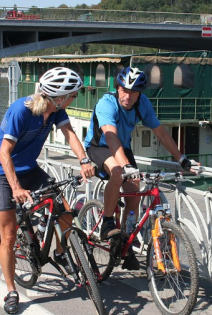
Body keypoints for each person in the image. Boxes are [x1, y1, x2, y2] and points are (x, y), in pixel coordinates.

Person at [0, 67, 93, 315]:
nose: (74, 98)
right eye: (72, 95)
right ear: (58, 98)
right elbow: (3, 152)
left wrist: (84, 160)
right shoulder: (21, 110)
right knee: (8, 234)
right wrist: (16, 188)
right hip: (2, 172)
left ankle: (62, 252)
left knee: (65, 212)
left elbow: (70, 134)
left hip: (30, 169)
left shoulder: (56, 111)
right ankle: (11, 290)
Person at [84, 66, 199, 268]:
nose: (128, 96)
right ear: (118, 88)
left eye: (134, 92)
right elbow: (110, 136)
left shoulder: (142, 104)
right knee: (118, 172)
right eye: (125, 90)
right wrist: (126, 166)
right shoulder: (107, 103)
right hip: (99, 145)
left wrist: (182, 159)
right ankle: (107, 222)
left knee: (134, 187)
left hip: (123, 147)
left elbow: (161, 133)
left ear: (140, 94)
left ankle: (126, 242)